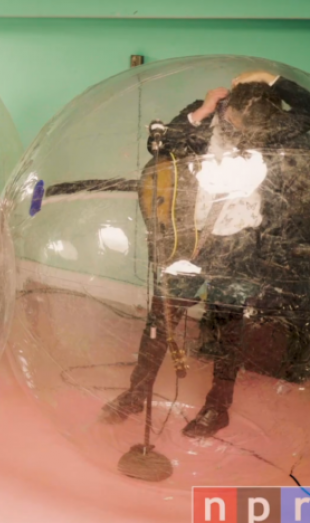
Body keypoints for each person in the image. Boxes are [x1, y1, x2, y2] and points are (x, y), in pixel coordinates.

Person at [100, 71, 310, 437]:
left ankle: (218, 406)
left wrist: (273, 79)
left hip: (240, 245)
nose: (247, 134)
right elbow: (160, 145)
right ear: (228, 110)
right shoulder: (206, 116)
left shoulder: (273, 128)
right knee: (161, 318)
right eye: (240, 123)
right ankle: (136, 394)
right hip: (189, 239)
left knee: (228, 326)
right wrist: (204, 109)